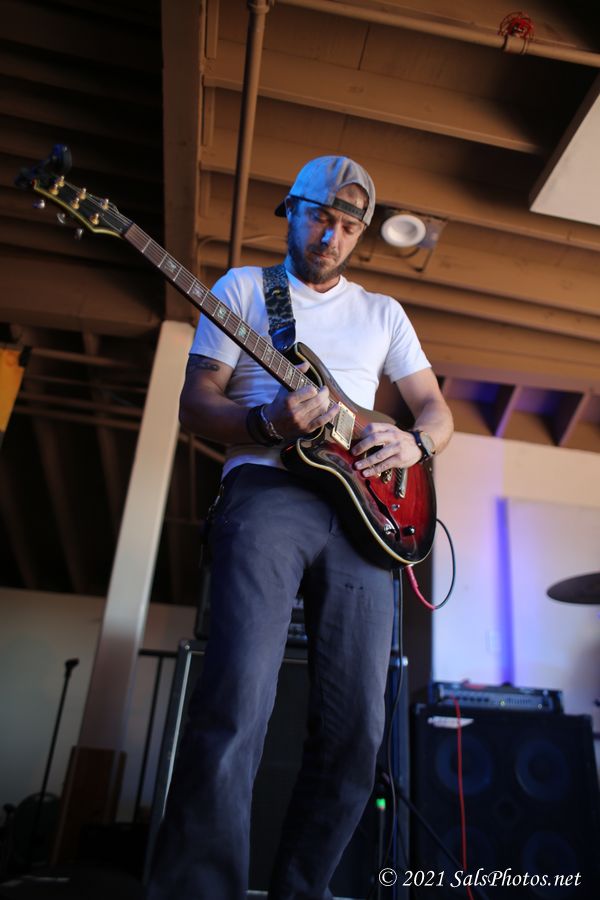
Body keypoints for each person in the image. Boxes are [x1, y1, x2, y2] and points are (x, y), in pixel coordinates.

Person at [146, 156, 454, 900]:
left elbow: (436, 412)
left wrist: (414, 444)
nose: (331, 236)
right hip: (266, 490)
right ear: (291, 209)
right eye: (320, 217)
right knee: (237, 702)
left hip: (367, 519)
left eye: (348, 226)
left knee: (357, 734)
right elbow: (196, 403)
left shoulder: (383, 313)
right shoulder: (242, 289)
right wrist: (265, 421)